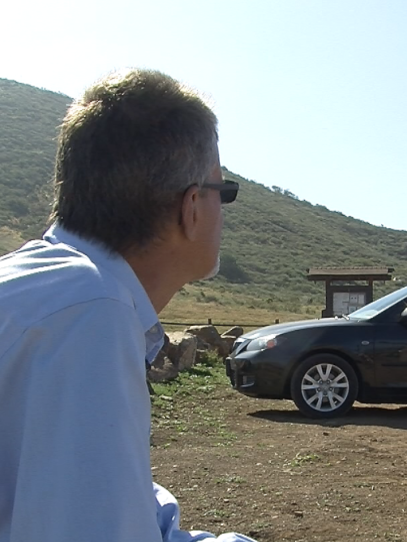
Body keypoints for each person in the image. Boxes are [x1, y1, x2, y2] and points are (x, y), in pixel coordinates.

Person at [0, 69, 254, 542]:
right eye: (226, 192)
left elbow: (114, 511)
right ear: (192, 206)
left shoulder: (53, 288)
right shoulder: (88, 313)